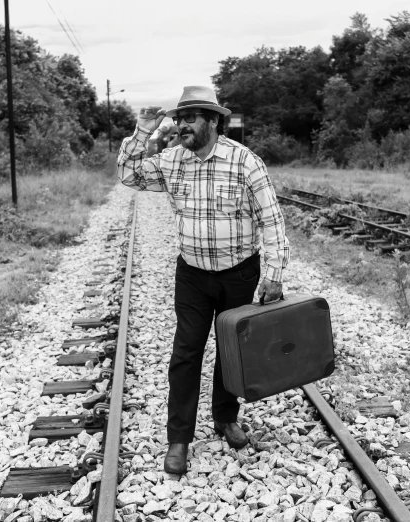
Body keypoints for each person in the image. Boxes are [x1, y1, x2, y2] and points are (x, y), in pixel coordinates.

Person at [116, 85, 290, 474]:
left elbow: (272, 221)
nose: (181, 125)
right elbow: (128, 175)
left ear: (213, 121)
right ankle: (179, 438)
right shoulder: (172, 160)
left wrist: (274, 275)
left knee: (232, 352)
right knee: (185, 354)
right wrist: (143, 129)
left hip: (239, 273)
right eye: (179, 118)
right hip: (192, 274)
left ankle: (225, 418)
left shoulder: (245, 162)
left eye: (190, 118)